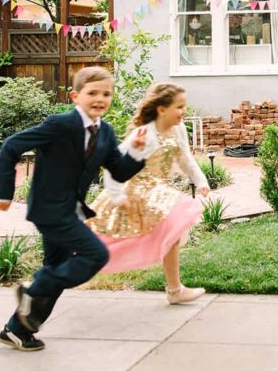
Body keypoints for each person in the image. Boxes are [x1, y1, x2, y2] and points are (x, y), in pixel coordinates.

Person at [0, 66, 147, 352]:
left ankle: (16, 330)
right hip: (50, 209)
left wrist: (135, 150)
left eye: (106, 94)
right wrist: (3, 193)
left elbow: (120, 171)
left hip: (71, 210)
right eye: (92, 93)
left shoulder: (106, 132)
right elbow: (11, 146)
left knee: (57, 269)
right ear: (76, 96)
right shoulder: (60, 124)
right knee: (95, 254)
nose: (100, 98)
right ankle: (33, 289)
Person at [88, 82, 210, 304]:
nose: (184, 112)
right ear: (162, 109)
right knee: (100, 246)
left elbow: (185, 158)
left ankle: (175, 290)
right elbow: (114, 165)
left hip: (157, 192)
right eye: (179, 107)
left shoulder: (178, 129)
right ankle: (53, 276)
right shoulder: (144, 133)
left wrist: (200, 180)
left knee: (172, 233)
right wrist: (117, 196)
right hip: (137, 191)